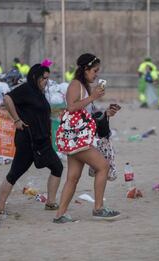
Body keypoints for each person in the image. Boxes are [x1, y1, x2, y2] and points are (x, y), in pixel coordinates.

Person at [54, 53, 120, 223]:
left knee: (73, 177)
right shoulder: (76, 84)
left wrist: (106, 113)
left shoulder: (84, 86)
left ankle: (60, 215)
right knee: (103, 166)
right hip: (77, 139)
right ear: (85, 69)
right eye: (94, 71)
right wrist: (92, 97)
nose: (96, 74)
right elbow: (71, 107)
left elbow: (87, 114)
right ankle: (98, 208)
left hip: (76, 138)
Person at [0, 63, 63, 214]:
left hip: (42, 141)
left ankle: (50, 203)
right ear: (35, 77)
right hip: (29, 140)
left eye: (47, 78)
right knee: (15, 173)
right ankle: (0, 207)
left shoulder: (40, 93)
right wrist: (17, 120)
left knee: (57, 167)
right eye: (44, 78)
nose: (46, 81)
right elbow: (7, 98)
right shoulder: (26, 89)